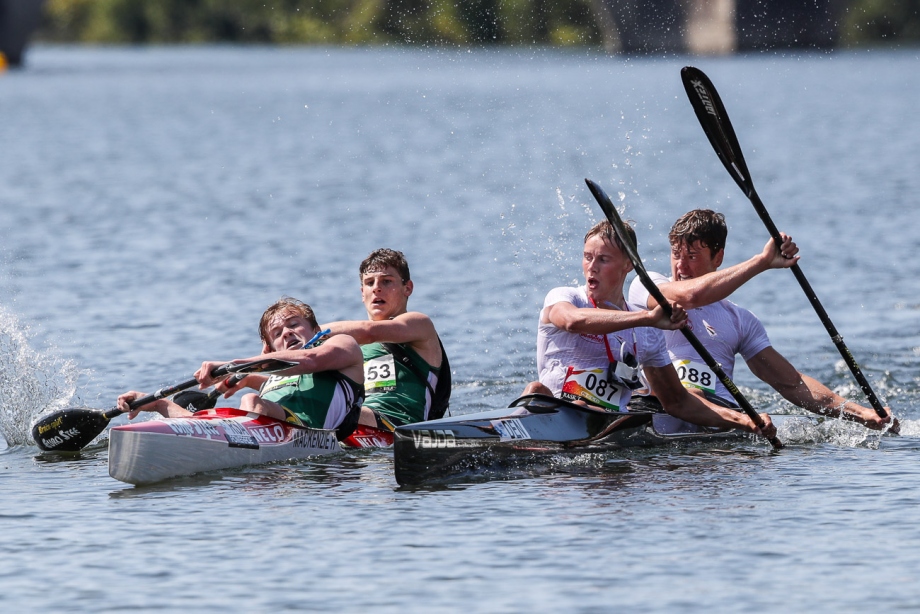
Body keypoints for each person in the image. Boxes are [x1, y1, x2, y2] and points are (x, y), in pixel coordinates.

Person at [627, 209, 893, 430]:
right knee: (685, 393)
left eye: (692, 256)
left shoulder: (740, 320)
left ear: (718, 257)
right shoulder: (647, 287)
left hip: (723, 422)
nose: (681, 267)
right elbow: (691, 297)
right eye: (676, 254)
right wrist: (762, 262)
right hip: (661, 404)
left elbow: (791, 383)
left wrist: (861, 414)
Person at [523, 219, 776, 438]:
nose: (592, 267)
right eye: (587, 257)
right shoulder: (565, 297)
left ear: (628, 265)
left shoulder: (646, 333)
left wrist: (743, 421)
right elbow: (572, 321)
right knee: (535, 389)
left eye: (603, 259)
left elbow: (677, 401)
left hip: (610, 427)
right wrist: (646, 318)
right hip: (553, 414)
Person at [117, 298, 368, 437]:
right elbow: (284, 373)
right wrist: (159, 402)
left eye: (294, 324)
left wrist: (234, 367)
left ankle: (225, 438)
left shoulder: (343, 346)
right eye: (277, 332)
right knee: (221, 416)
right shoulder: (272, 374)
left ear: (315, 329)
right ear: (268, 349)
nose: (288, 333)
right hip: (270, 431)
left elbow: (310, 361)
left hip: (312, 435)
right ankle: (161, 406)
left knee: (250, 401)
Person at [323, 248, 449, 428]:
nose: (376, 288)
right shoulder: (350, 342)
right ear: (362, 292)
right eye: (369, 282)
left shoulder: (419, 324)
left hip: (401, 428)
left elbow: (369, 332)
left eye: (386, 281)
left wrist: (307, 333)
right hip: (356, 422)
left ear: (408, 288)